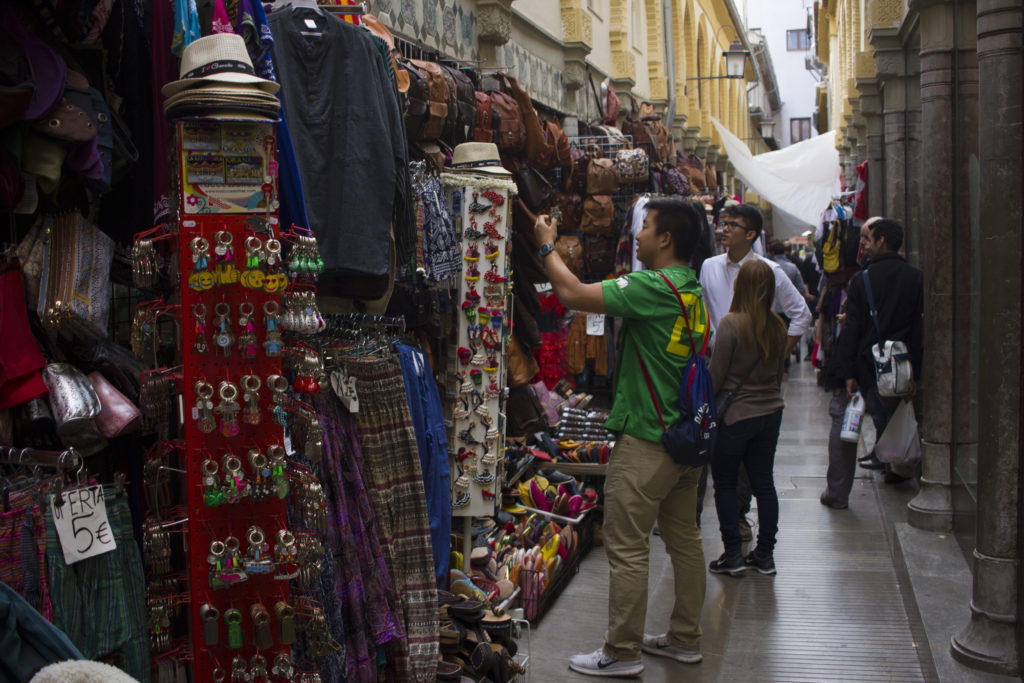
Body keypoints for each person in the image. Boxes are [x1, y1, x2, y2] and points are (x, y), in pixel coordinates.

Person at [534, 198, 709, 677]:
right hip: (684, 440)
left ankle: (622, 651)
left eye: (646, 226)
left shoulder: (653, 286)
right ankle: (684, 638)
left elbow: (569, 293)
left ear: (666, 238)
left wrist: (545, 244)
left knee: (627, 544)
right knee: (684, 540)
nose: (638, 235)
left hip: (648, 442)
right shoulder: (690, 289)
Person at [698, 205, 811, 536]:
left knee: (749, 456)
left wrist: (775, 356)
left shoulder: (769, 271)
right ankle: (694, 511)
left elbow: (801, 314)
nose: (724, 229)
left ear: (751, 235)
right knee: (707, 440)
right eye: (723, 223)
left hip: (750, 373)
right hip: (715, 364)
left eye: (732, 225)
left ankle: (739, 515)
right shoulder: (709, 266)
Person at [707, 259, 788, 575]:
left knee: (725, 483)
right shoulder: (777, 326)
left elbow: (716, 378)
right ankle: (764, 555)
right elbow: (778, 375)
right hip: (771, 413)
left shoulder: (731, 324)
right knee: (764, 483)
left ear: (740, 286)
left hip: (736, 417)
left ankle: (733, 556)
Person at [830, 218, 923, 492]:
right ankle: (897, 464)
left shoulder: (864, 279)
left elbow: (854, 328)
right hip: (904, 363)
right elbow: (919, 326)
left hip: (872, 364)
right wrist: (917, 367)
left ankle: (894, 463)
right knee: (899, 416)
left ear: (882, 241)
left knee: (882, 414)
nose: (862, 244)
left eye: (867, 239)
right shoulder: (916, 276)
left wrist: (846, 372)